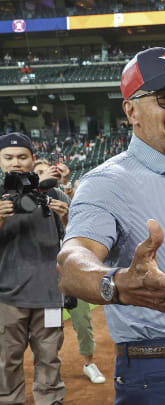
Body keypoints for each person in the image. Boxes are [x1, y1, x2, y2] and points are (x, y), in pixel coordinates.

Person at [55, 47, 165, 405]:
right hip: (160, 375)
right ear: (131, 111)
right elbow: (70, 263)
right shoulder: (108, 181)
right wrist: (117, 284)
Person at [0, 132, 69, 404]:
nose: (15, 163)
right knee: (6, 364)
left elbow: (76, 244)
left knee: (50, 361)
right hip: (7, 296)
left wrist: (66, 219)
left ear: (32, 159)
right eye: (8, 157)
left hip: (49, 294)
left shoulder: (55, 194)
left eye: (22, 157)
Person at [33, 159, 107, 385]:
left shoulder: (59, 195)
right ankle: (49, 366)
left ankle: (89, 363)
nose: (44, 173)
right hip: (46, 277)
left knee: (82, 320)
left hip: (69, 270)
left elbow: (81, 224)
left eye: (46, 169)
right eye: (38, 171)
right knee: (52, 324)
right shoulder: (26, 199)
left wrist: (64, 214)